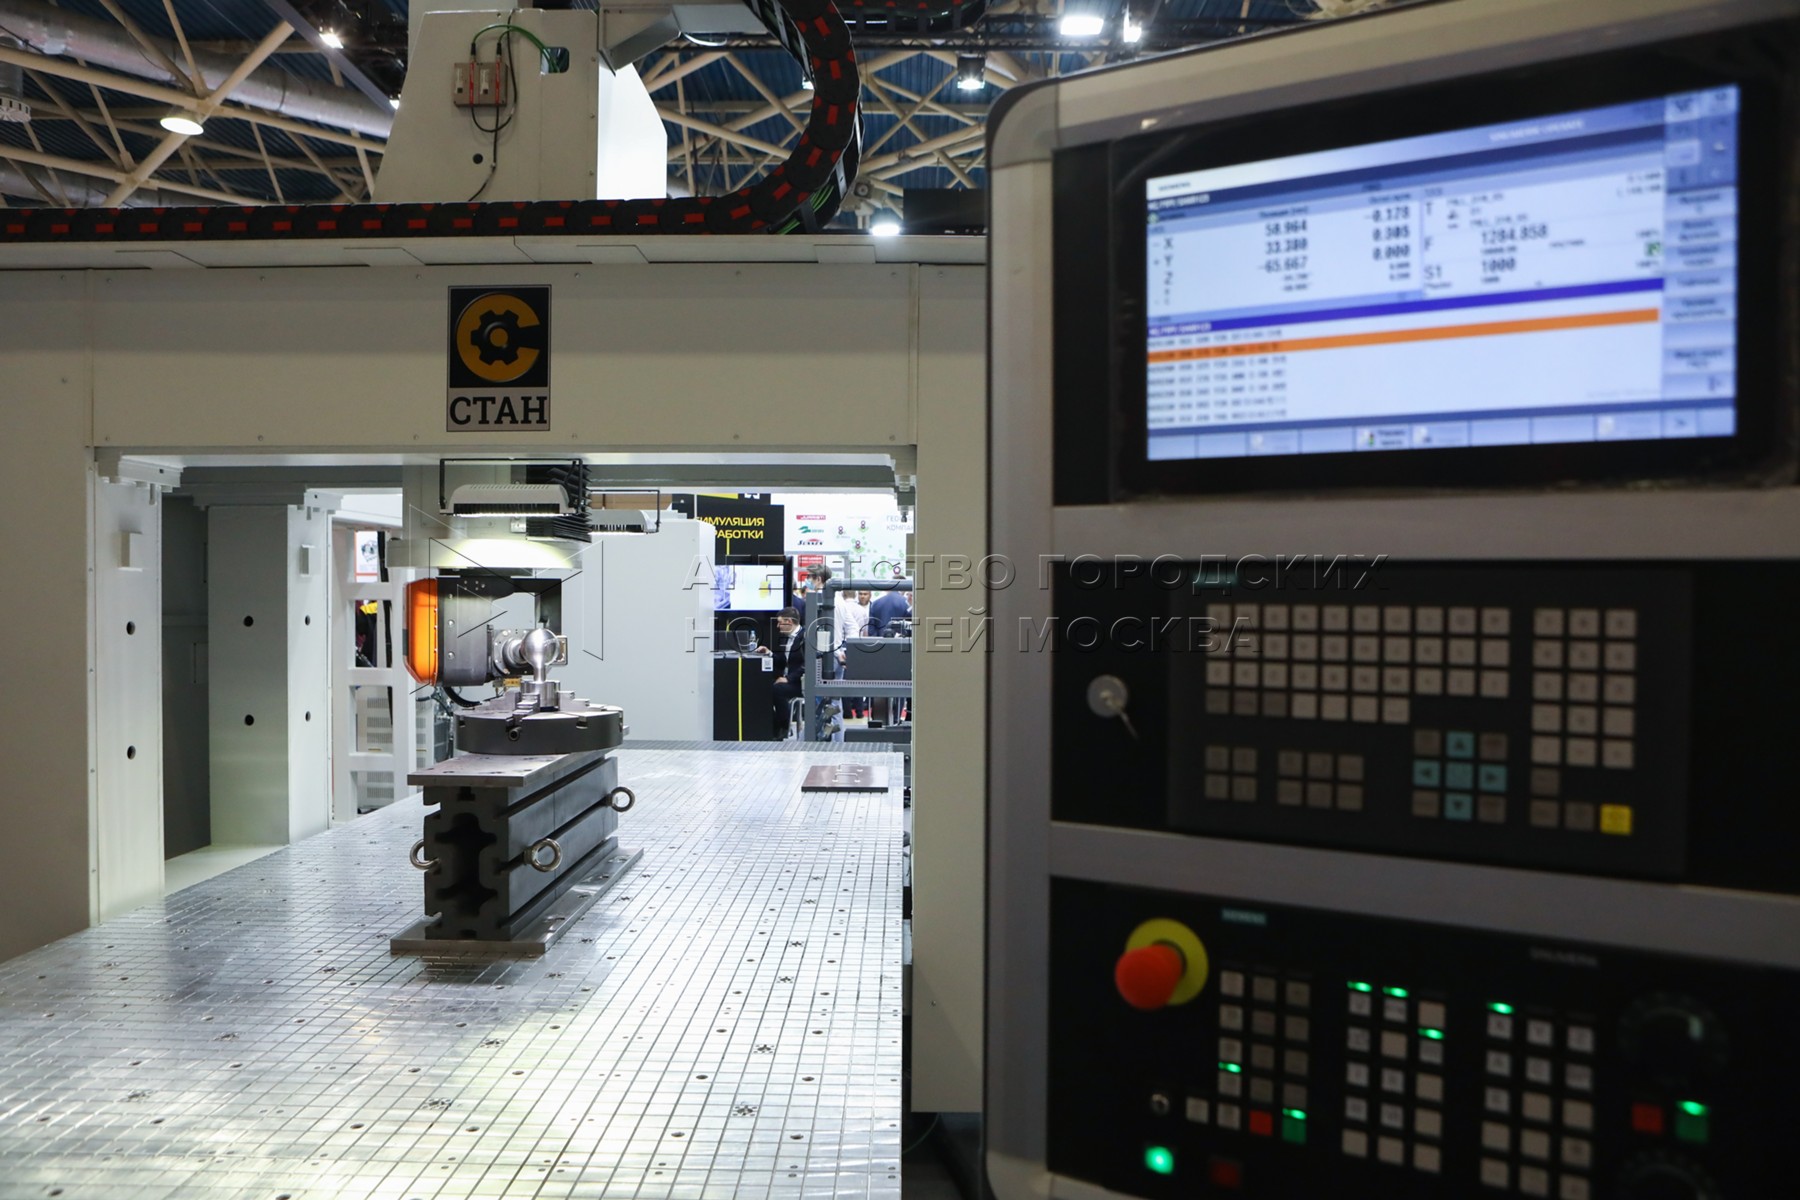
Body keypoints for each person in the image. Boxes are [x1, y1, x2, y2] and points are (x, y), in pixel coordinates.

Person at [763, 607, 805, 738]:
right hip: (787, 678)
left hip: (800, 682)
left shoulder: (805, 637)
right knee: (762, 687)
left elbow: (808, 665)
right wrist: (769, 653)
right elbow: (784, 661)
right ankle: (773, 727)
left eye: (780, 622)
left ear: (789, 622)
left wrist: (788, 679)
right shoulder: (785, 638)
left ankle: (784, 727)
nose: (777, 626)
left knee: (777, 690)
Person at [835, 589, 872, 718]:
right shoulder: (861, 610)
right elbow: (864, 630)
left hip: (841, 646)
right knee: (857, 679)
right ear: (855, 595)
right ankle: (860, 711)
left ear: (843, 594)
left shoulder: (839, 606)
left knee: (843, 681)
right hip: (857, 645)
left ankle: (847, 712)